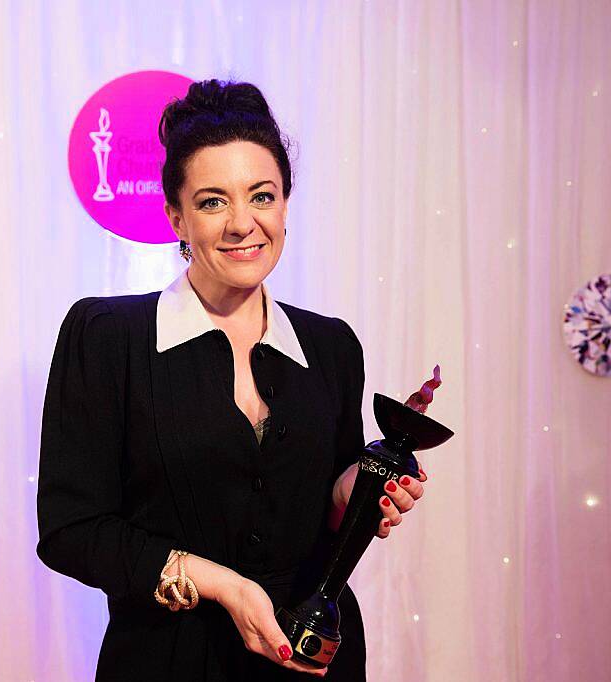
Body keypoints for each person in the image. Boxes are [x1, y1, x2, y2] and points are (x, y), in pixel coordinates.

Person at [36, 79, 428, 681]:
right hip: (168, 662)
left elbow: (320, 523)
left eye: (262, 196)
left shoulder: (332, 346)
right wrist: (221, 585)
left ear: (286, 206)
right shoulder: (108, 335)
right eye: (214, 201)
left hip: (311, 661)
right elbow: (71, 530)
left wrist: (352, 493)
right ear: (176, 217)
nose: (243, 223)